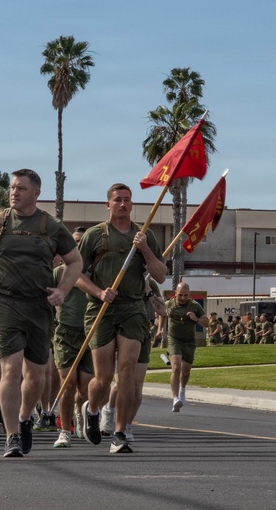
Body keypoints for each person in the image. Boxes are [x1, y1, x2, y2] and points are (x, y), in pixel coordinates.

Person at [0, 169, 81, 458]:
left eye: (21, 188)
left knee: (37, 375)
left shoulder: (51, 226)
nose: (14, 192)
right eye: (12, 187)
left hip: (39, 306)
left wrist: (62, 290)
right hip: (4, 304)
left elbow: (75, 261)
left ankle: (26, 417)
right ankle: (12, 435)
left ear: (36, 193)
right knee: (11, 369)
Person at [77, 183, 166, 454]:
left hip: (132, 308)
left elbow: (161, 275)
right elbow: (76, 276)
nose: (123, 204)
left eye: (127, 200)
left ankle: (119, 432)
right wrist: (99, 292)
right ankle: (92, 409)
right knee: (102, 378)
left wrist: (145, 250)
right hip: (101, 309)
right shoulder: (94, 235)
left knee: (126, 372)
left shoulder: (145, 234)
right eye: (118, 200)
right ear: (108, 204)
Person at [50, 228, 92, 448]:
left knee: (84, 389)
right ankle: (64, 430)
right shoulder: (59, 273)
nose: (78, 245)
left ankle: (79, 412)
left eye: (82, 242)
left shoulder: (96, 272)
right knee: (67, 384)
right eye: (75, 242)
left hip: (91, 333)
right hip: (66, 332)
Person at [158, 283, 208, 412]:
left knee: (185, 371)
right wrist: (159, 330)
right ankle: (175, 398)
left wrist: (195, 318)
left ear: (189, 295)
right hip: (174, 339)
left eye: (186, 295)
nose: (183, 298)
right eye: (180, 295)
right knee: (176, 367)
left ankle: (182, 390)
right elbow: (162, 314)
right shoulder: (169, 304)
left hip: (189, 341)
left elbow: (206, 322)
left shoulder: (195, 306)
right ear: (175, 294)